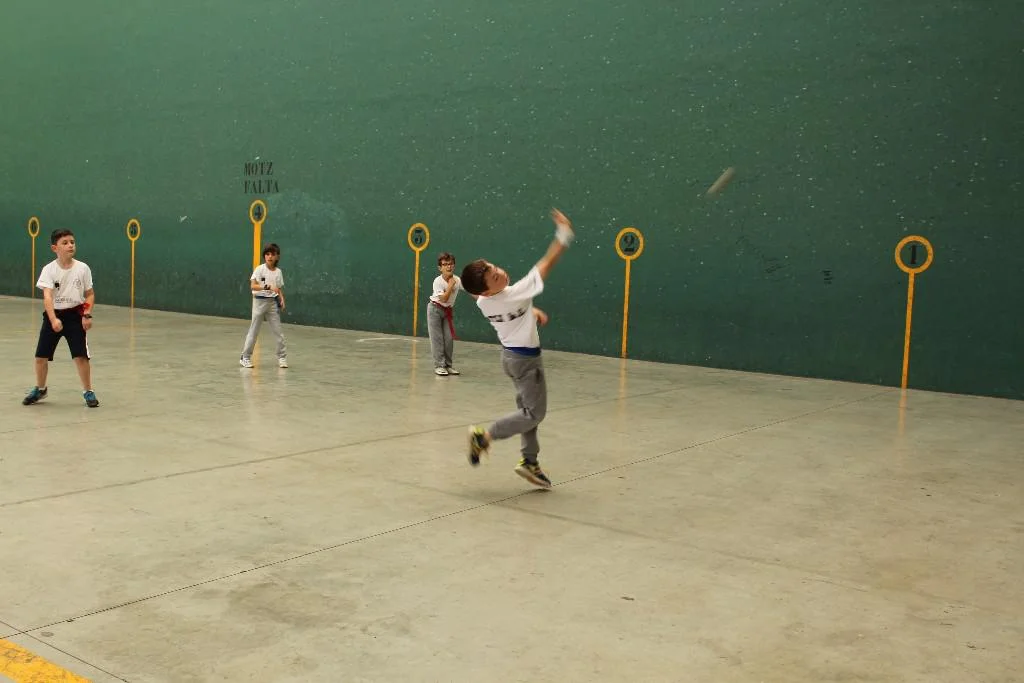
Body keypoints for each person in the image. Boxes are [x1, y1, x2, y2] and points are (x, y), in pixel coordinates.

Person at [458, 208, 575, 488]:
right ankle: (485, 437)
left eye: (496, 268)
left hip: (510, 359)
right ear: (487, 290)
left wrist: (531, 313)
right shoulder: (516, 294)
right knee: (534, 414)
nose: (501, 274)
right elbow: (546, 264)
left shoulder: (484, 302)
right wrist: (564, 234)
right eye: (495, 278)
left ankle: (530, 461)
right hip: (527, 362)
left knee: (527, 412)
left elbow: (501, 306)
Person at [23, 229, 100, 408]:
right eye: (65, 243)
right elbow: (47, 297)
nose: (70, 245)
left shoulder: (83, 268)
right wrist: (53, 319)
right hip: (54, 315)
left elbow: (89, 294)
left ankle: (88, 391)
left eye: (72, 242)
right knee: (40, 357)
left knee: (81, 357)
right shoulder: (48, 270)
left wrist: (86, 314)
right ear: (54, 248)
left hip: (75, 317)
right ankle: (40, 389)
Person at [240, 243, 287, 368]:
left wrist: (282, 299)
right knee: (254, 331)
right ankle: (245, 357)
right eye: (267, 254)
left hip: (272, 304)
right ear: (264, 256)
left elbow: (278, 289)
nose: (270, 257)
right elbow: (253, 286)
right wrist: (268, 287)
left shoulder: (278, 272)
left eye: (273, 254)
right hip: (259, 303)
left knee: (278, 332)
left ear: (277, 257)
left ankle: (282, 357)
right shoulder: (259, 269)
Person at [427, 251, 462, 376]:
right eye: (445, 264)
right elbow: (444, 299)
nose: (449, 266)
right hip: (434, 310)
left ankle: (448, 366)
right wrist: (450, 285)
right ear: (440, 268)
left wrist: (484, 297)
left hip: (447, 312)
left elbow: (470, 289)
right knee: (437, 339)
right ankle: (439, 366)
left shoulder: (457, 280)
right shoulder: (438, 281)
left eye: (451, 264)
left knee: (448, 339)